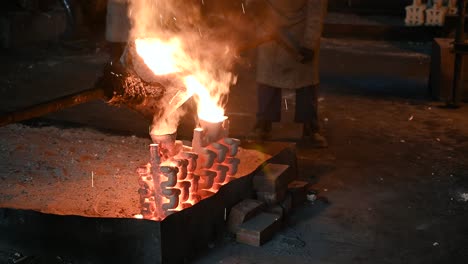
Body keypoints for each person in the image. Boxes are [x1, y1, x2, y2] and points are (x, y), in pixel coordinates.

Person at [248, 0, 328, 147]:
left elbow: (316, 11)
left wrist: (309, 42)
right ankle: (263, 124)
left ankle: (310, 127)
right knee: (268, 79)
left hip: (301, 33)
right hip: (270, 31)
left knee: (305, 82)